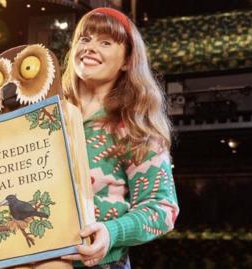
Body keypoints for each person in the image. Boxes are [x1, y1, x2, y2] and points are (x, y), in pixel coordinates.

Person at [60, 7, 180, 269]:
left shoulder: (136, 127)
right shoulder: (47, 116)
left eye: (105, 42)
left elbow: (162, 209)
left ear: (127, 61)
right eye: (85, 38)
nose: (90, 47)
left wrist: (113, 232)